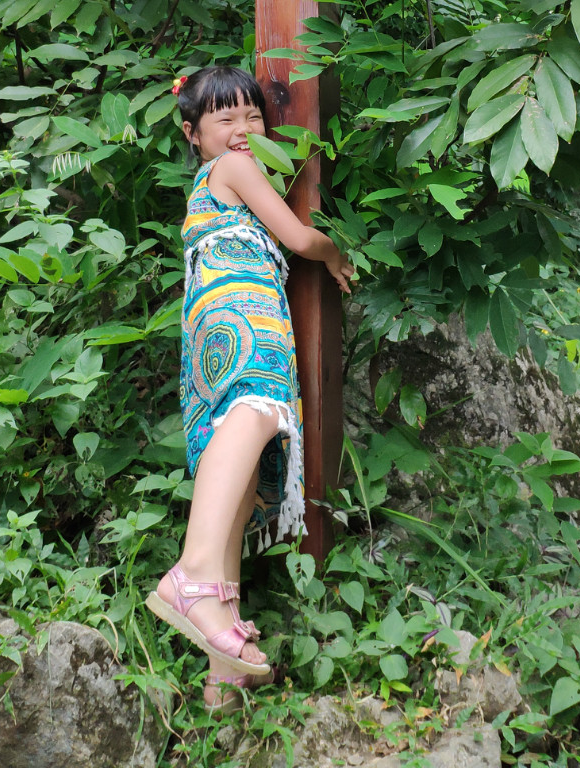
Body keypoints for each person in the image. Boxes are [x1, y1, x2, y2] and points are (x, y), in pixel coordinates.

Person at [148, 65, 354, 712]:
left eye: (252, 116)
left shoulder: (204, 190)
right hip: (244, 311)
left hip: (209, 321)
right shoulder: (236, 172)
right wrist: (336, 252)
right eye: (224, 119)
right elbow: (295, 238)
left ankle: (224, 661)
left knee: (235, 469)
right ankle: (192, 576)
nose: (243, 130)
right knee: (260, 410)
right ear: (193, 133)